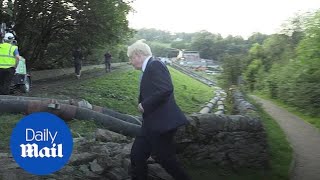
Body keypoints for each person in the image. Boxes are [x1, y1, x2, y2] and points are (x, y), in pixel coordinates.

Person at [127, 40, 191, 180]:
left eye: (131, 58)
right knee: (137, 155)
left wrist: (145, 105)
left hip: (162, 124)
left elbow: (166, 89)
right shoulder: (151, 66)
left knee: (165, 159)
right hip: (152, 123)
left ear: (138, 55)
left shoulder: (155, 65)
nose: (131, 62)